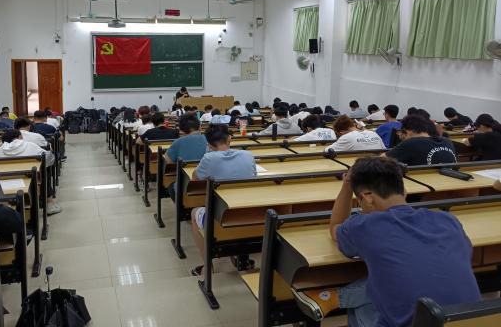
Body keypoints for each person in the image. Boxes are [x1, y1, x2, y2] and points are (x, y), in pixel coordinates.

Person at [293, 157, 480, 326]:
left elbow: (336, 226)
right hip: (473, 320)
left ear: (367, 197)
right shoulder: (447, 220)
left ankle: (335, 298)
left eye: (359, 201)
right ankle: (334, 298)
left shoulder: (366, 225)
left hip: (419, 322)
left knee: (363, 305)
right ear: (403, 191)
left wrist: (347, 186)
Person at [190, 124, 256, 276]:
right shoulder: (248, 155)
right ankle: (241, 258)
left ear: (209, 144)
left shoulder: (209, 158)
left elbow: (195, 178)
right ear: (230, 138)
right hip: (249, 214)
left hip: (220, 219)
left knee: (194, 213)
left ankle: (208, 266)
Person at [0, 129, 60, 214]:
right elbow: (48, 158)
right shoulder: (30, 145)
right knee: (43, 171)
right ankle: (49, 203)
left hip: (3, 183)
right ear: (20, 137)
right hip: (30, 180)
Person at [385, 115, 456, 166]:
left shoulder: (411, 143)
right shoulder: (447, 141)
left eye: (403, 135)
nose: (402, 138)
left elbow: (382, 159)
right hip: (452, 181)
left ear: (408, 131)